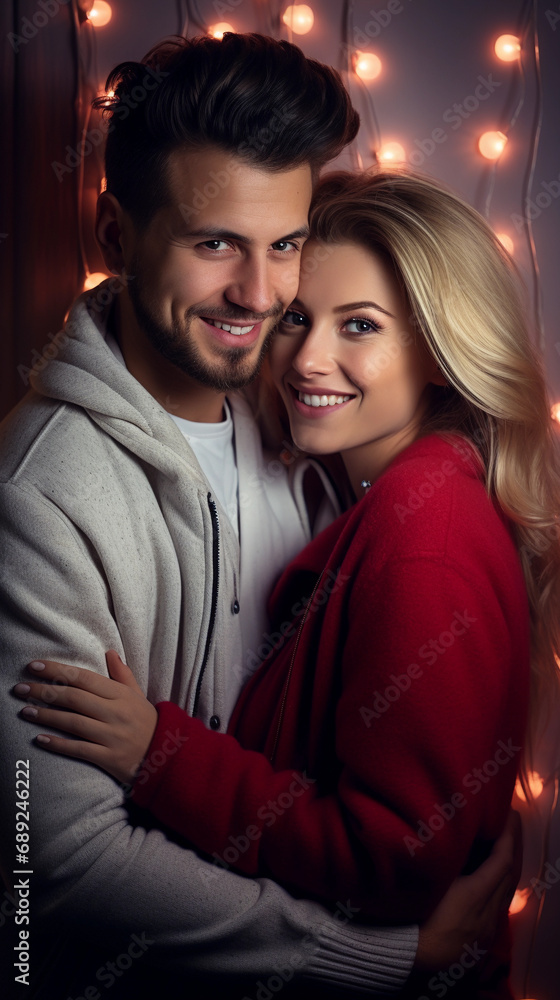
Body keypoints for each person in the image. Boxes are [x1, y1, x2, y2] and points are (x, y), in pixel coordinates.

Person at [0, 32, 515, 1000]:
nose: (258, 294)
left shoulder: (295, 414)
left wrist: (470, 819)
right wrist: (382, 957)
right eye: (213, 244)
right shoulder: (38, 496)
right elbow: (55, 862)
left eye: (283, 245)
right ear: (116, 236)